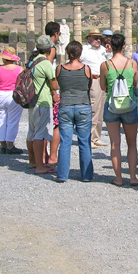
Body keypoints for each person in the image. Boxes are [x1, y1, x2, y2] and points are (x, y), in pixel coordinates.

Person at [100, 34, 138, 187]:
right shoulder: (131, 63)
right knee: (132, 144)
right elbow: (135, 82)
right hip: (129, 105)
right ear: (124, 46)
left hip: (112, 105)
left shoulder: (105, 65)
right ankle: (133, 177)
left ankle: (118, 178)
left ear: (110, 46)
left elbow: (102, 86)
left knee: (115, 144)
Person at [55, 41, 94, 183]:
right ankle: (86, 175)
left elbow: (58, 84)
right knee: (84, 141)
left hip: (65, 105)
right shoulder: (87, 69)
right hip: (83, 105)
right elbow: (88, 85)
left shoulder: (59, 68)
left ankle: (62, 175)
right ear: (80, 53)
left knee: (65, 141)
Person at [26, 35, 60, 175]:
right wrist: (55, 92)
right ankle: (40, 166)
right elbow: (53, 82)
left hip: (32, 99)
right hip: (42, 100)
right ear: (48, 49)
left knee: (32, 132)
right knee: (40, 134)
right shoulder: (45, 63)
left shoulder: (32, 61)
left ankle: (33, 161)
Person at [80, 28, 109, 148]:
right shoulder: (84, 49)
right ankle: (90, 137)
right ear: (89, 38)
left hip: (103, 80)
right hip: (93, 80)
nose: (98, 40)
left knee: (101, 110)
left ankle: (96, 137)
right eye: (96, 37)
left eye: (99, 38)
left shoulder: (103, 50)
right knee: (93, 108)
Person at [0, 46, 24, 154]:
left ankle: (2, 145)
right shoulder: (19, 69)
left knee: (0, 121)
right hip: (14, 95)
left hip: (0, 95)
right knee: (13, 122)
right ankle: (10, 145)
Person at [44, 22, 61, 166]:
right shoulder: (51, 48)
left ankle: (43, 156)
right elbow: (48, 69)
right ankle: (52, 156)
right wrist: (54, 90)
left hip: (39, 90)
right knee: (55, 124)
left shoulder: (39, 47)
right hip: (49, 89)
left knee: (42, 125)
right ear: (56, 34)